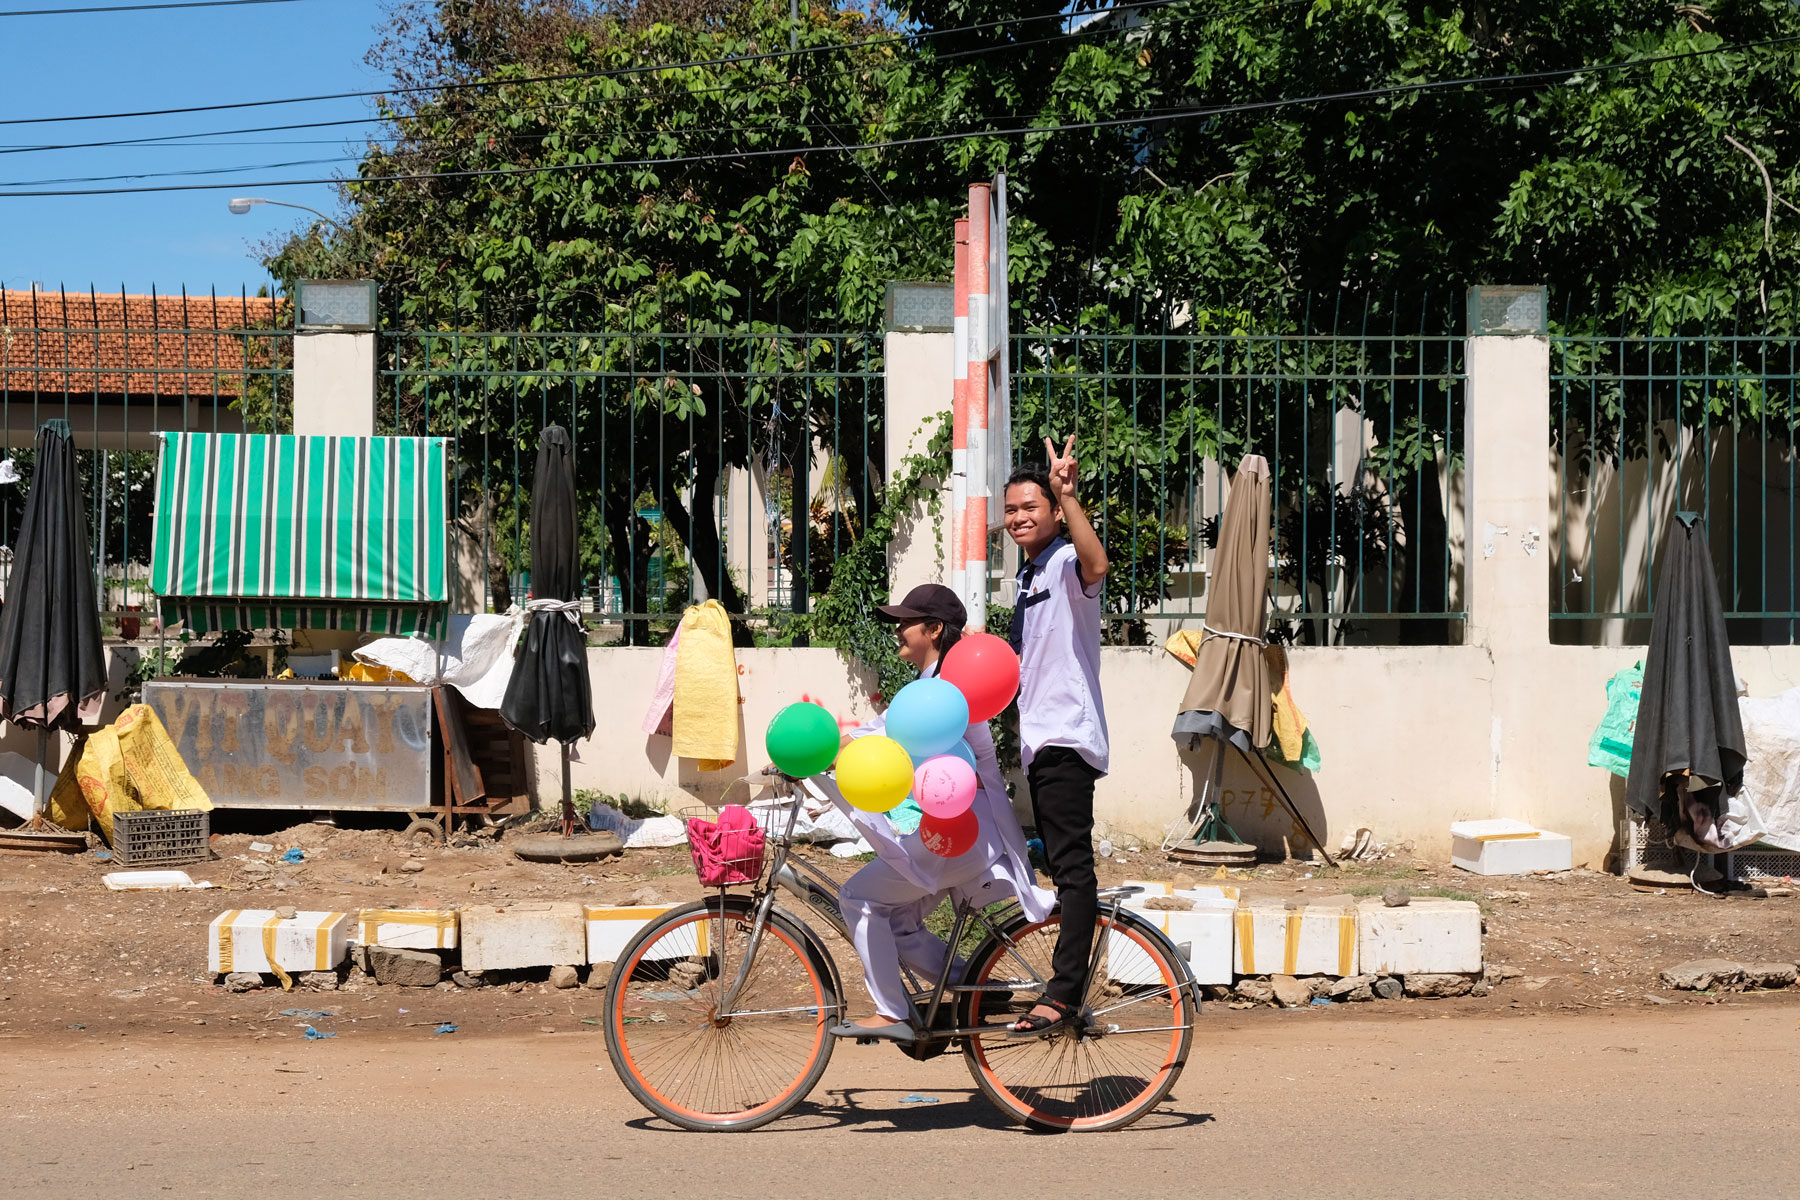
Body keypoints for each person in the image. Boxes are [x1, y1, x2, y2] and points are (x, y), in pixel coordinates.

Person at [821, 583, 1052, 1043]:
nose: (898, 630)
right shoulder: (933, 686)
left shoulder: (946, 691)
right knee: (901, 919)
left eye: (907, 622)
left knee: (859, 899)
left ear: (935, 629)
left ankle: (892, 1013)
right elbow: (879, 732)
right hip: (956, 833)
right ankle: (976, 985)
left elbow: (879, 737)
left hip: (955, 835)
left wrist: (812, 754)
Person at [1002, 436, 1109, 1037]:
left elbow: (1097, 567)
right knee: (1055, 867)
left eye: (1031, 507)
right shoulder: (1028, 575)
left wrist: (1068, 497)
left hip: (1066, 735)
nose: (1020, 517)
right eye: (1012, 510)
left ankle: (1064, 993)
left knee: (1073, 869)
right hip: (1039, 740)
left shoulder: (1067, 561)